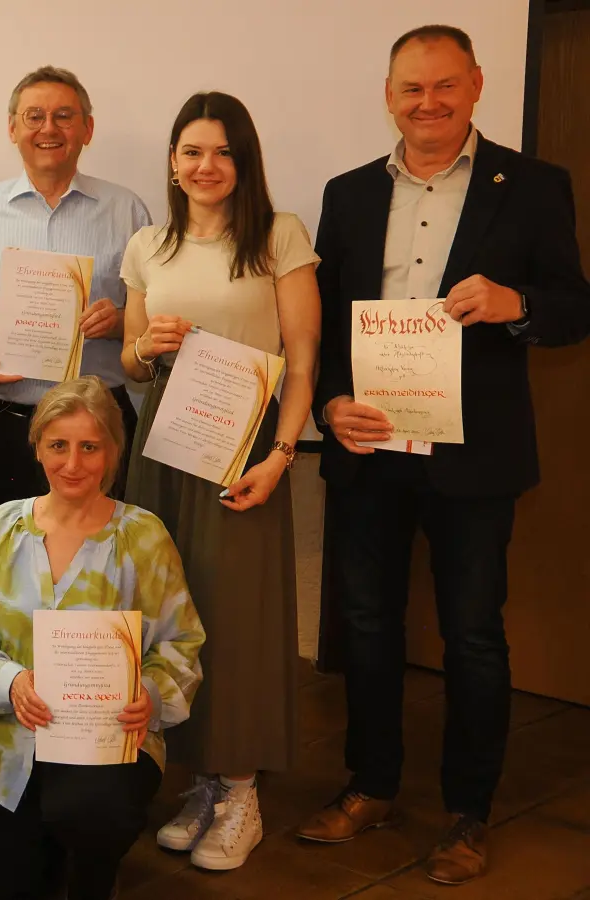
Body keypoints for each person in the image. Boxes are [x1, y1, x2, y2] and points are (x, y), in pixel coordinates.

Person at [302, 25, 590, 885]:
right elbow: (323, 319)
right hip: (369, 445)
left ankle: (469, 813)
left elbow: (575, 305)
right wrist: (327, 403)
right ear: (388, 96)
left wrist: (516, 303)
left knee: (472, 636)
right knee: (365, 625)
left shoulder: (533, 185)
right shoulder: (349, 192)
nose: (427, 103)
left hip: (475, 453)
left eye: (444, 85)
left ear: (475, 85)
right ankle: (372, 786)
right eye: (411, 88)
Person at [119, 91, 321, 871]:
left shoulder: (278, 235)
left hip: (245, 444)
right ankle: (201, 780)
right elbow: (133, 362)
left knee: (238, 613)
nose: (207, 166)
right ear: (173, 162)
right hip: (165, 443)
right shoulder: (148, 245)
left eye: (224, 152)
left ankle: (241, 791)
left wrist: (281, 454)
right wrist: (148, 345)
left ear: (245, 161)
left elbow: (301, 358)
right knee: (171, 607)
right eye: (192, 151)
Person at [0, 377, 203, 900]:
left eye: (90, 447)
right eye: (58, 445)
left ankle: (91, 870)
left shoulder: (143, 537)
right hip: (2, 744)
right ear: (37, 447)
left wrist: (149, 694)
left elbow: (181, 642)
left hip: (106, 739)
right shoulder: (0, 529)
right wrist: (11, 682)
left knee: (88, 818)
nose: (73, 464)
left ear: (113, 453)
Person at [0, 66, 152, 511]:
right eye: (34, 116)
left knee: (106, 550)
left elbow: (149, 319)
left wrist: (119, 321)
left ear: (87, 129)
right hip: (5, 423)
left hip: (100, 423)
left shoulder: (128, 212)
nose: (48, 129)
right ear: (12, 128)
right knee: (7, 548)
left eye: (63, 116)